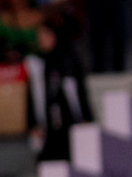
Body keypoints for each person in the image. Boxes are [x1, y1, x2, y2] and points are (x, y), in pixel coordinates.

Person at [25, 11, 94, 161]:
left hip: (69, 124)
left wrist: (87, 118)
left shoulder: (69, 61)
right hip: (47, 127)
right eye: (39, 35)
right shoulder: (36, 64)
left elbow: (80, 93)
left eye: (45, 34)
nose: (41, 39)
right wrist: (32, 124)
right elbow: (31, 98)